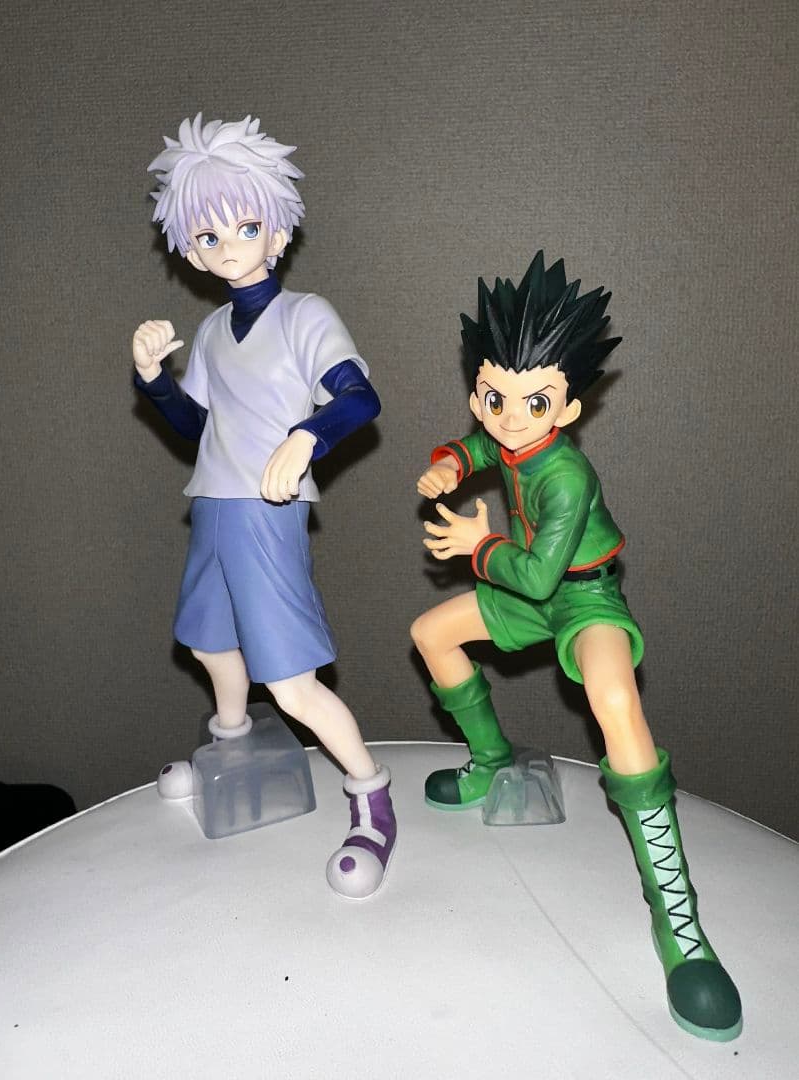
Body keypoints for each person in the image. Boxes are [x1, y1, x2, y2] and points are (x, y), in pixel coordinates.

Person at [410, 251, 741, 1039]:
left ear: (567, 408)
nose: (510, 416)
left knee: (615, 698)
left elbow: (534, 574)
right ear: (478, 395)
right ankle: (490, 761)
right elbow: (487, 447)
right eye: (495, 397)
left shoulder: (567, 478)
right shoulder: (506, 432)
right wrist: (452, 461)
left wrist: (478, 545)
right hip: (527, 587)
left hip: (579, 595)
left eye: (534, 402)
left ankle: (680, 924)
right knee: (431, 633)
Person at [132, 114, 395, 900]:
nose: (229, 245)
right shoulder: (213, 329)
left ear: (277, 234)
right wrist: (153, 380)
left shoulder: (305, 316)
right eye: (209, 235)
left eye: (246, 227)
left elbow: (360, 398)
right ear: (191, 251)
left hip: (266, 514)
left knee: (291, 681)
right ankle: (232, 742)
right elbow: (195, 427)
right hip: (213, 506)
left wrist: (307, 437)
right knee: (210, 644)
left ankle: (372, 798)